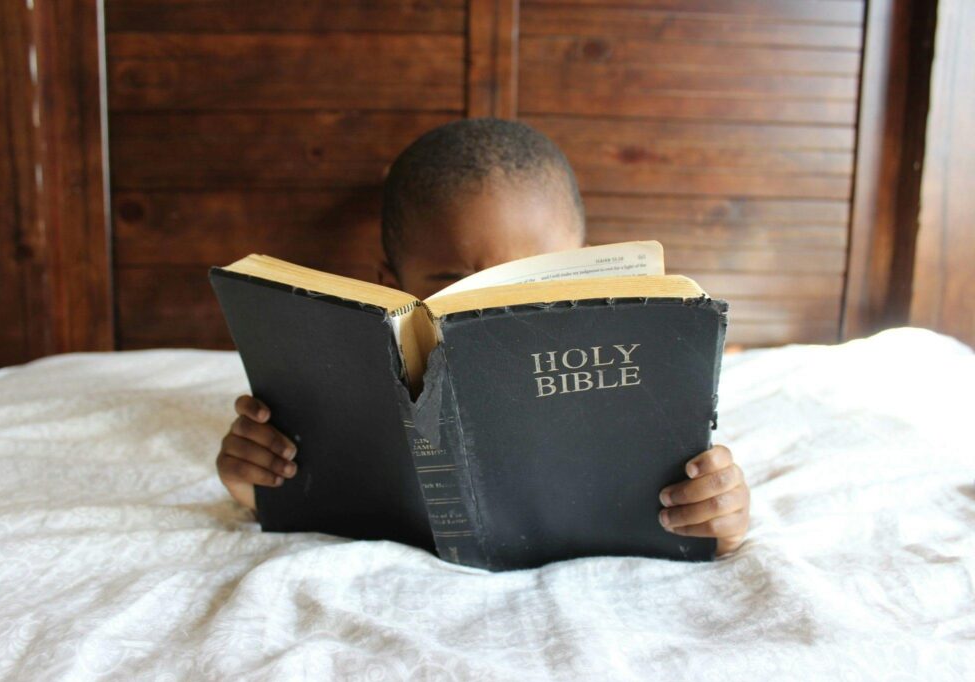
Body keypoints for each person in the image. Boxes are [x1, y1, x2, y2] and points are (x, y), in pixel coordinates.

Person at [216, 118, 750, 556]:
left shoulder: (636, 377)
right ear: (389, 285)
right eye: (457, 286)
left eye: (539, 278)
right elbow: (302, 491)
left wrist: (716, 516)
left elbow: (703, 512)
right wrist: (258, 482)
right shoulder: (347, 386)